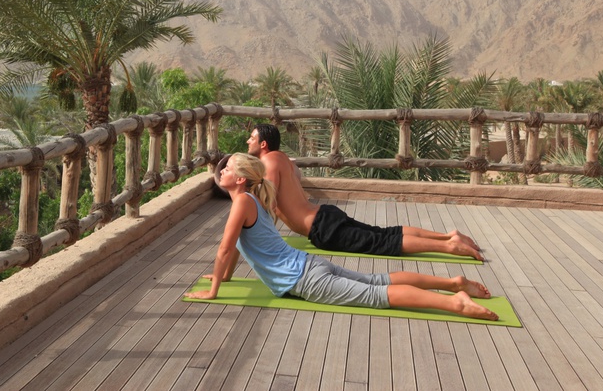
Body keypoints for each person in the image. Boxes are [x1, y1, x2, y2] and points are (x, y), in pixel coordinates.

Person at [186, 153, 497, 320]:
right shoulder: (253, 200)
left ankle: (456, 303)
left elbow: (226, 249)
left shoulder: (242, 202)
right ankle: (452, 283)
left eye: (226, 169)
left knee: (378, 294)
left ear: (240, 179)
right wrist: (224, 278)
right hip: (311, 265)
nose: (221, 171)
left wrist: (213, 291)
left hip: (305, 280)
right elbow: (240, 247)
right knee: (379, 281)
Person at [245, 123, 483, 261]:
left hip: (322, 229)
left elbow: (270, 203)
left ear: (263, 144)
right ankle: (447, 235)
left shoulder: (269, 164)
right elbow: (293, 181)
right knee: (383, 233)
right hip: (325, 215)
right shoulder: (284, 159)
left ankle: (449, 246)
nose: (248, 141)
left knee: (381, 242)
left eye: (252, 138)